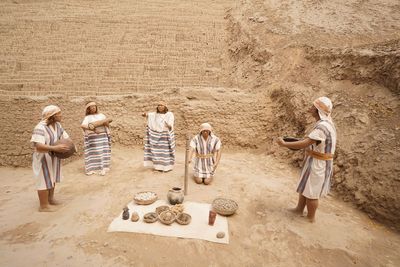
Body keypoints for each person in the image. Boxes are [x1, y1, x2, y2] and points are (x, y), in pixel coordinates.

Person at [277, 96, 337, 223]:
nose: (310, 109)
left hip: (319, 164)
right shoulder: (324, 124)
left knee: (312, 192)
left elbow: (305, 143)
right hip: (314, 160)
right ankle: (299, 209)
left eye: (313, 107)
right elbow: (310, 142)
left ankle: (311, 218)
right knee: (306, 186)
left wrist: (284, 144)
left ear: (317, 110)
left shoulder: (322, 127)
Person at [30, 105, 71, 212]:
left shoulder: (57, 125)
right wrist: (55, 148)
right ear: (52, 116)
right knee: (43, 180)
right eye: (59, 113)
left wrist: (71, 146)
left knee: (52, 178)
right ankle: (43, 206)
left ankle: (50, 199)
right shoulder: (40, 127)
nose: (61, 115)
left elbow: (66, 138)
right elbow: (38, 146)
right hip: (43, 158)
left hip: (53, 157)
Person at [142, 101, 175, 172]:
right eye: (159, 105)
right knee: (157, 152)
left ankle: (166, 167)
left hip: (165, 136)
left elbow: (170, 124)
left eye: (162, 105)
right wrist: (144, 114)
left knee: (165, 152)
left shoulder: (169, 114)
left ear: (165, 106)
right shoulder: (154, 114)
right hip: (155, 136)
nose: (160, 106)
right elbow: (147, 115)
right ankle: (158, 167)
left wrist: (169, 125)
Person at [80, 102, 112, 176]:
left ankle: (103, 168)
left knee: (102, 152)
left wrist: (105, 123)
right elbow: (83, 125)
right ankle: (93, 168)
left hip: (102, 136)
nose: (93, 108)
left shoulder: (102, 115)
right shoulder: (87, 118)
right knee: (95, 152)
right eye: (91, 107)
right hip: (93, 138)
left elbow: (107, 125)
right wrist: (93, 130)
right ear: (88, 109)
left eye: (94, 106)